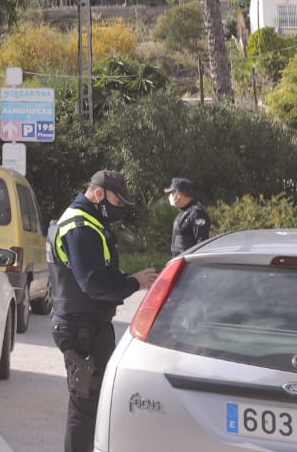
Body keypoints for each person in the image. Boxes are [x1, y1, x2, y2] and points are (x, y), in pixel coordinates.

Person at [48, 169, 158, 452]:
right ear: (98, 194)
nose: (119, 208)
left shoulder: (89, 222)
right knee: (83, 408)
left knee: (89, 405)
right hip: (80, 327)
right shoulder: (80, 227)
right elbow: (93, 283)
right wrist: (133, 282)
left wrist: (128, 281)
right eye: (117, 202)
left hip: (87, 324)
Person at [167, 176, 212, 256]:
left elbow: (201, 245)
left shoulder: (197, 214)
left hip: (190, 266)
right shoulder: (182, 214)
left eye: (172, 193)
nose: (170, 196)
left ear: (178, 194)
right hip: (179, 263)